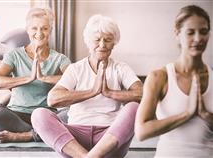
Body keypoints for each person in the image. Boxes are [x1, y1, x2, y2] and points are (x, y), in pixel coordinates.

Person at [31, 14, 143, 158]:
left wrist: (109, 92)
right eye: (97, 40)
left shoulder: (121, 68)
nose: (102, 45)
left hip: (109, 137)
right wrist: (92, 91)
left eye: (108, 40)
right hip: (75, 139)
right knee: (39, 115)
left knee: (135, 108)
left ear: (114, 43)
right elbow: (53, 99)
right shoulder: (76, 69)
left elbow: (141, 93)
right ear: (88, 42)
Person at [0, 8, 71, 143]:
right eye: (34, 28)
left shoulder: (60, 59)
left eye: (44, 28)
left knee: (72, 113)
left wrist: (44, 78)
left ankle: (25, 135)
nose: (39, 33)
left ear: (50, 30)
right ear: (27, 30)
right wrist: (29, 78)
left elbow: (75, 81)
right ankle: (40, 133)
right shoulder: (14, 55)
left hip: (45, 115)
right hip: (16, 115)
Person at [135, 5, 213, 158]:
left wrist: (205, 115)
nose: (198, 39)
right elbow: (141, 131)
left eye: (203, 32)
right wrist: (186, 114)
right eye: (190, 32)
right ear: (177, 33)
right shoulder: (159, 77)